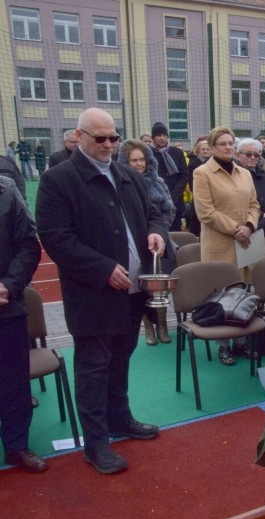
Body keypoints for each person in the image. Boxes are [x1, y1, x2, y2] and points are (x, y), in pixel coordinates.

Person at [36, 107, 168, 474]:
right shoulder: (58, 180)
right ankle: (96, 444)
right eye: (101, 138)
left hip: (132, 291)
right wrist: (103, 268)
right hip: (92, 296)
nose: (110, 144)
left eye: (113, 137)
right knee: (94, 368)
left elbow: (154, 213)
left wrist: (155, 231)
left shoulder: (127, 174)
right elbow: (56, 239)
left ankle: (119, 418)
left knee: (122, 358)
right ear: (79, 137)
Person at [192, 126, 261, 366]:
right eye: (222, 144)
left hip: (246, 241)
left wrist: (249, 226)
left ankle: (241, 343)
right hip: (220, 242)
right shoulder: (202, 173)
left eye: (231, 143)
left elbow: (254, 204)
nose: (228, 147)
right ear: (211, 148)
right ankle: (224, 347)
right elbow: (205, 211)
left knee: (243, 292)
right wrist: (235, 229)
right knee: (223, 295)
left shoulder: (245, 173)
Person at [0, 175, 44, 473]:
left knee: (14, 382)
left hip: (6, 305)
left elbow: (29, 245)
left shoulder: (6, 190)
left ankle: (17, 446)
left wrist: (8, 286)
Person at [117, 139, 177, 346]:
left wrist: (160, 230)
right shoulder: (121, 184)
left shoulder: (158, 181)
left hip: (161, 241)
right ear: (126, 162)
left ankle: (162, 325)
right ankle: (148, 327)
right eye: (134, 160)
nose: (139, 164)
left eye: (142, 159)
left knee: (161, 287)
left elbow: (170, 209)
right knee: (141, 287)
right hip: (135, 244)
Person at [236, 138, 265, 237]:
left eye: (256, 155)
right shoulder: (233, 176)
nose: (252, 157)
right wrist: (262, 215)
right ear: (238, 155)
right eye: (248, 154)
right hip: (246, 228)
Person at [150, 122, 189, 231]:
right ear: (153, 138)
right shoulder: (148, 153)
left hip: (175, 200)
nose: (162, 138)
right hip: (156, 201)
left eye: (164, 135)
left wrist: (173, 196)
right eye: (159, 135)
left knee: (175, 232)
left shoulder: (177, 152)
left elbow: (184, 175)